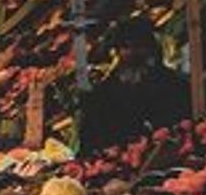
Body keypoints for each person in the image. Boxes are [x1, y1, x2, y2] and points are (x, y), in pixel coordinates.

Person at [79, 16, 191, 153]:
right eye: (126, 47)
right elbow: (90, 143)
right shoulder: (100, 96)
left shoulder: (174, 86)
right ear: (118, 52)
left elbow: (185, 126)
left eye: (139, 46)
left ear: (151, 50)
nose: (133, 53)